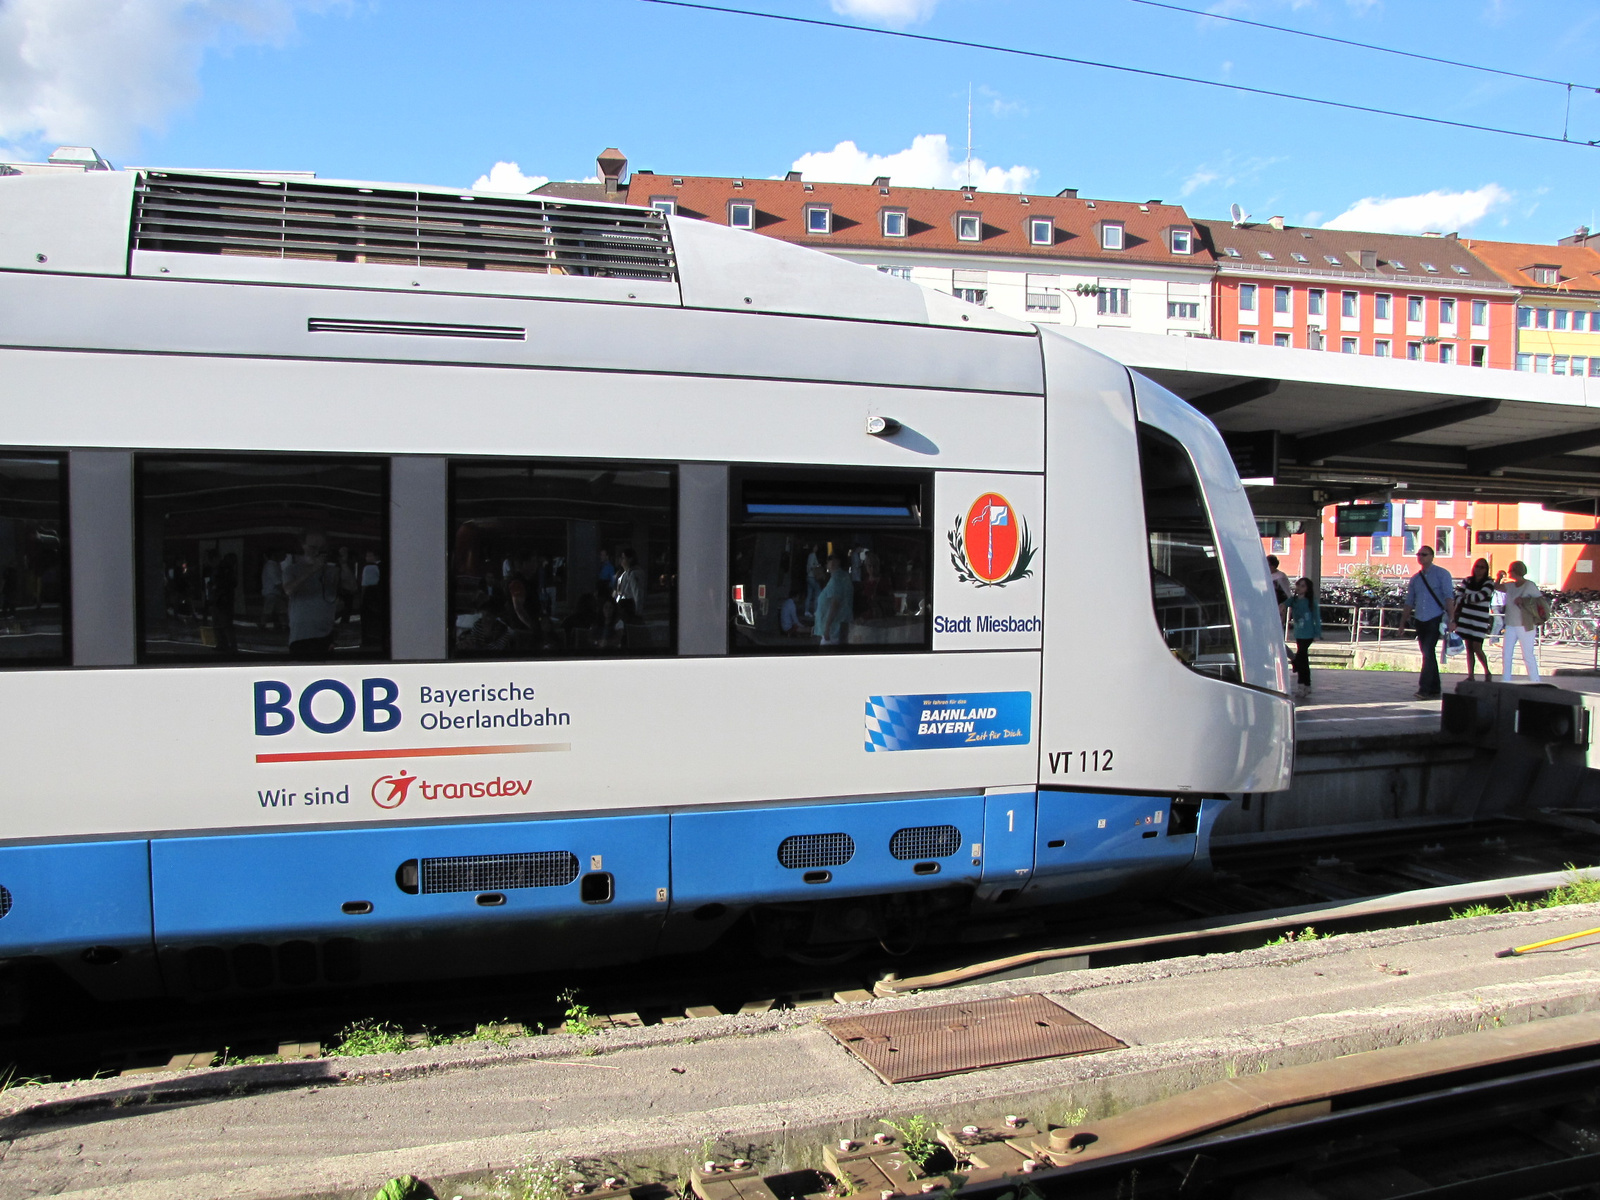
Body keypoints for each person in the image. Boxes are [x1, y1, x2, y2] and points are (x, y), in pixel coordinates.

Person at [1400, 545, 1454, 700]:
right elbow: (1409, 602)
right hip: (1420, 618)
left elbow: (1448, 597)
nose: (1420, 557)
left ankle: (1424, 688)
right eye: (1419, 554)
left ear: (1432, 556)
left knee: (1428, 652)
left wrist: (1452, 619)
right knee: (1427, 653)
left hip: (1435, 617)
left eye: (1424, 554)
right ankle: (1435, 688)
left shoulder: (1442, 574)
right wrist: (1403, 622)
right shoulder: (1416, 578)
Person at [283, 528, 341, 660]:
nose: (317, 552)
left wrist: (343, 563)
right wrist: (313, 569)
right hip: (302, 635)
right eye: (313, 547)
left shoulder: (331, 570)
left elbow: (351, 587)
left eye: (321, 548)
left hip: (326, 633)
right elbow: (288, 590)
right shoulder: (292, 569)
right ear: (303, 546)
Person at [1497, 560, 1546, 683]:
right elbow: (1496, 587)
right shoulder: (1510, 586)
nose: (1509, 572)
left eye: (1511, 570)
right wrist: (1498, 578)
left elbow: (1540, 602)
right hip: (1510, 624)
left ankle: (1535, 680)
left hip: (1526, 624)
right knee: (1506, 653)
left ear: (1516, 571)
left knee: (1528, 654)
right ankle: (1506, 679)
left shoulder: (1529, 585)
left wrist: (1524, 601)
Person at [1450, 558, 1495, 684]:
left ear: (1486, 570)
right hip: (1466, 618)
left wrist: (1466, 597)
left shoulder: (1489, 583)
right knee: (1469, 647)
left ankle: (1487, 671)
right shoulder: (1467, 580)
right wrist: (1467, 598)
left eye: (1482, 567)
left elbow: (1479, 597)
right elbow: (1458, 595)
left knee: (1477, 647)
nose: (1479, 569)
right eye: (1477, 566)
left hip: (1480, 619)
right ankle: (1471, 675)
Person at [1287, 577, 1322, 699]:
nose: (1300, 588)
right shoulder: (1294, 600)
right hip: (1298, 633)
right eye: (1298, 585)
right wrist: (1281, 607)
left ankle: (1301, 685)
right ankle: (1307, 685)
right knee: (1303, 660)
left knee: (1300, 657)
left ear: (1307, 589)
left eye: (1303, 586)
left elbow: (1316, 618)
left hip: (1308, 634)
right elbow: (1284, 604)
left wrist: (1317, 633)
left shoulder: (1311, 601)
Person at [814, 554, 853, 647]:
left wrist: (827, 627)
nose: (827, 563)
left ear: (835, 562)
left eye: (829, 560)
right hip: (839, 628)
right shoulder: (843, 577)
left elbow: (835, 603)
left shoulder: (837, 579)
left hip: (834, 630)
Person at [260, 549, 285, 632]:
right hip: (272, 592)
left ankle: (281, 626)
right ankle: (263, 626)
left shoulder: (275, 565)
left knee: (278, 610)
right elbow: (277, 581)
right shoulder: (271, 566)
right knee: (269, 611)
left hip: (274, 592)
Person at [1267, 555, 1292, 623]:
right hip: (1269, 601)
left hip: (1279, 601)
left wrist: (1290, 601)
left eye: (1268, 565)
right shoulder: (1265, 575)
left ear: (1273, 566)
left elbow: (1286, 589)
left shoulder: (1280, 576)